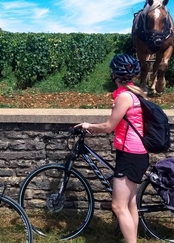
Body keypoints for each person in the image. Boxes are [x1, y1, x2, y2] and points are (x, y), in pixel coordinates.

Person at [75, 53, 149, 243]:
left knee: (117, 206)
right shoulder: (136, 93)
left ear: (114, 75)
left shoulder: (124, 96)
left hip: (130, 155)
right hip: (137, 153)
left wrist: (88, 125)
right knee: (130, 203)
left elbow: (109, 127)